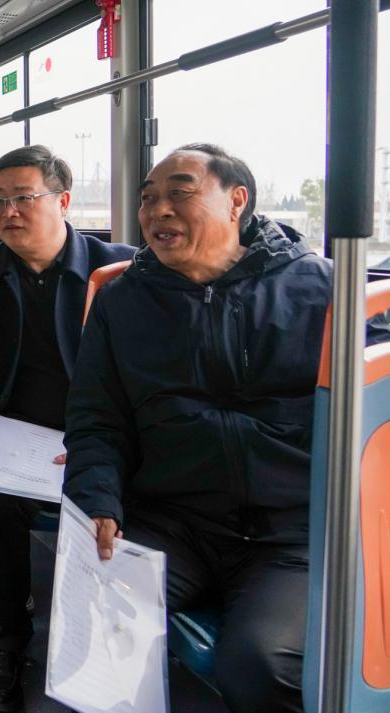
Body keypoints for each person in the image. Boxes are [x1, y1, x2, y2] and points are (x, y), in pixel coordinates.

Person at [62, 144, 388, 712]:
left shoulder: (326, 291)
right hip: (175, 520)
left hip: (293, 532)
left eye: (180, 193)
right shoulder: (122, 303)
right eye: (148, 199)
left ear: (237, 201)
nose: (158, 210)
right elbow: (97, 418)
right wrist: (97, 499)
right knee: (89, 610)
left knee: (258, 665)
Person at [0, 145, 136, 712]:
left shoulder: (118, 271)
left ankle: (113, 644)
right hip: (17, 438)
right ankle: (4, 642)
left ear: (63, 200)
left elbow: (144, 376)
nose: (7, 212)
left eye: (23, 198)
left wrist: (104, 443)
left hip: (101, 438)